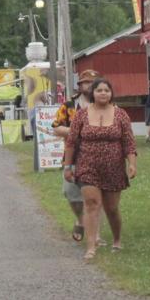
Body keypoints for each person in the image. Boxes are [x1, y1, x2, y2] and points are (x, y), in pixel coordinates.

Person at [62, 79, 137, 260]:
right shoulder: (81, 115)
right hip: (87, 166)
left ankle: (117, 240)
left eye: (106, 90)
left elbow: (128, 142)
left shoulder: (121, 115)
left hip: (114, 167)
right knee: (91, 204)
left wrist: (132, 164)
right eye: (99, 90)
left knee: (111, 208)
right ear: (92, 94)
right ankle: (91, 246)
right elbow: (71, 142)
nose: (103, 93)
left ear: (111, 94)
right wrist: (68, 166)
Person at [50, 69, 99, 242]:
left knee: (94, 196)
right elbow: (56, 127)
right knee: (70, 193)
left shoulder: (104, 105)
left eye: (93, 83)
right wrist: (75, 131)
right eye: (86, 82)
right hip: (72, 157)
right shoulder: (69, 106)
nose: (90, 86)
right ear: (80, 86)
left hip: (98, 157)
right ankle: (80, 219)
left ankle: (95, 234)